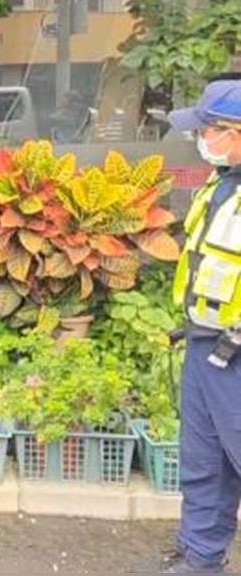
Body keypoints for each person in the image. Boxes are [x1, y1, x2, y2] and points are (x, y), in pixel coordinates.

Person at [158, 78, 241, 572]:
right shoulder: (222, 183)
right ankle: (199, 560)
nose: (200, 140)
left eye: (207, 130)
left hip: (236, 355)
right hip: (207, 345)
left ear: (233, 132)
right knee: (204, 464)